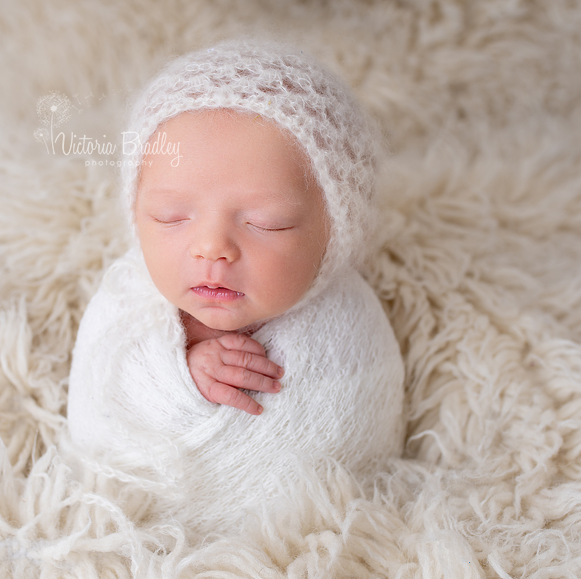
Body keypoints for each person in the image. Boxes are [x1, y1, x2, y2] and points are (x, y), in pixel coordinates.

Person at [67, 39, 406, 534]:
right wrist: (176, 377)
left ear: (336, 229)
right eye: (171, 217)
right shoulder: (126, 301)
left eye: (267, 223)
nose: (212, 248)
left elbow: (350, 439)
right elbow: (103, 394)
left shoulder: (348, 328)